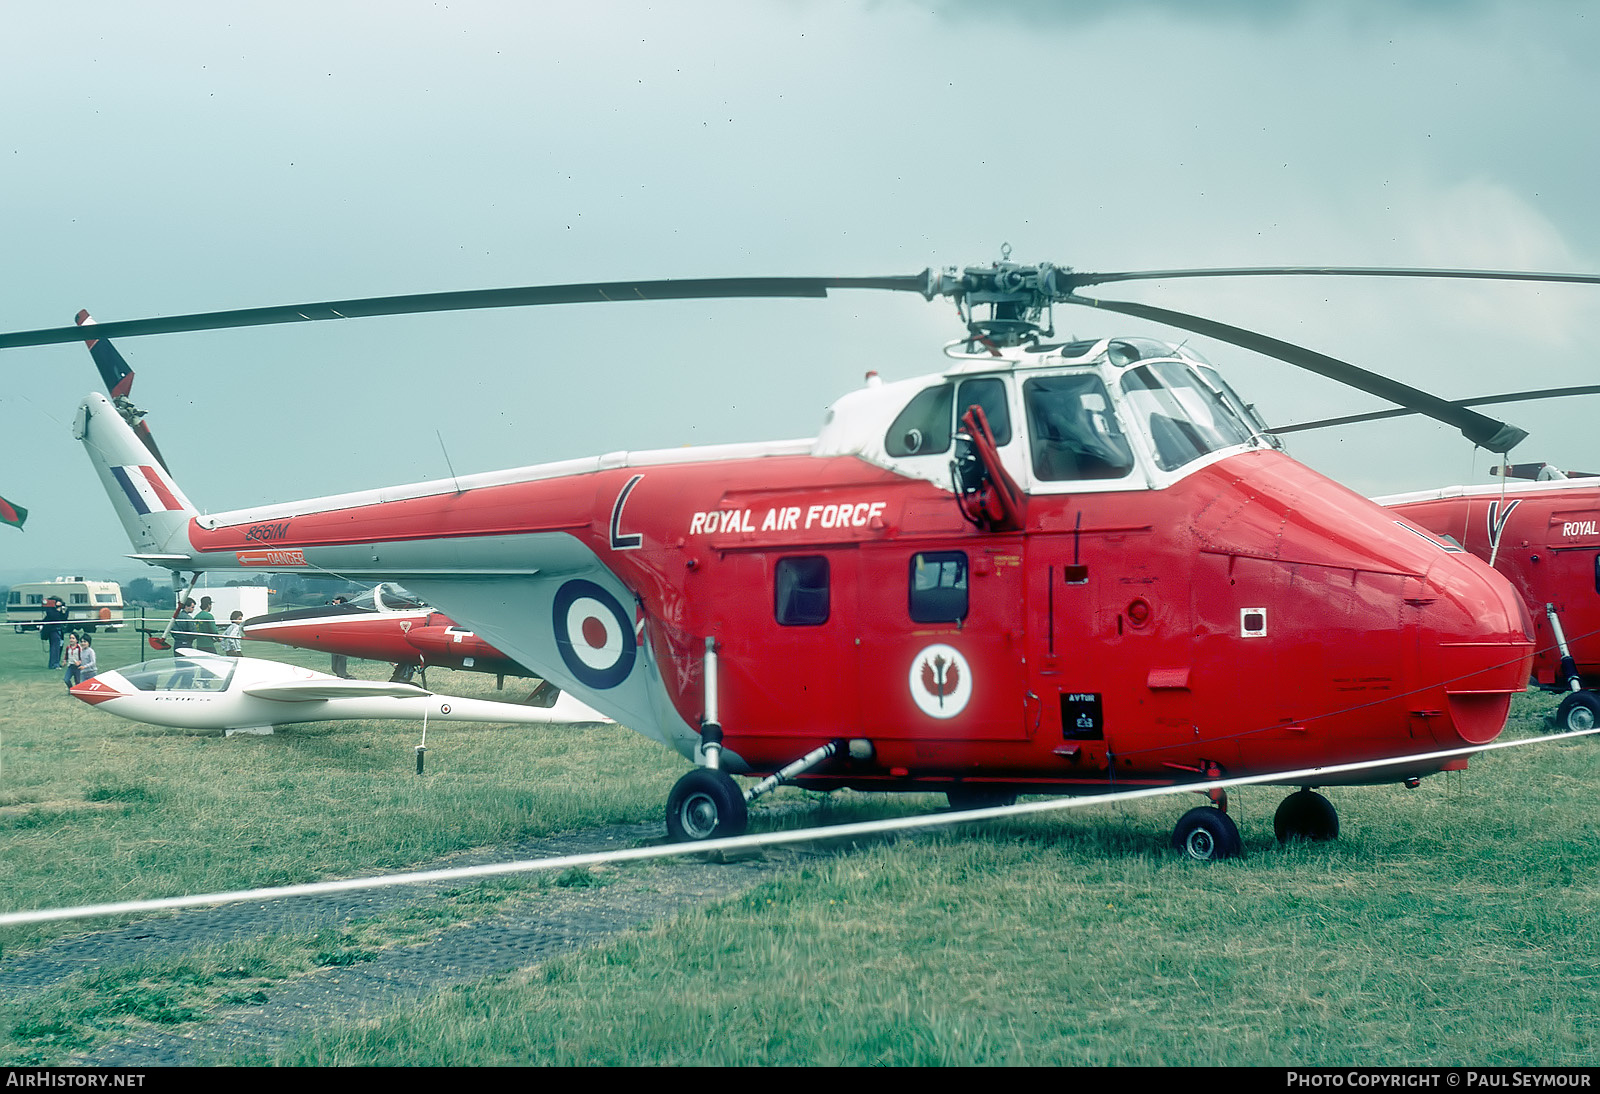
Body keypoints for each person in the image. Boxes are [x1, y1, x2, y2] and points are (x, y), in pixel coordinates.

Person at [329, 596, 353, 678]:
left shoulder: (346, 613)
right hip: (334, 641)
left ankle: (345, 677)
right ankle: (346, 677)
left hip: (342, 641)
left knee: (340, 666)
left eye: (336, 602)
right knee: (334, 668)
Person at [41, 597, 67, 669]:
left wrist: (63, 612)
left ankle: (56, 662)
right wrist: (58, 610)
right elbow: (54, 617)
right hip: (52, 630)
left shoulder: (61, 609)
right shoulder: (50, 610)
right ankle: (53, 664)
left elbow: (64, 618)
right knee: (54, 647)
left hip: (60, 630)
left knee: (59, 646)